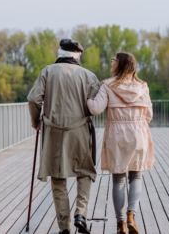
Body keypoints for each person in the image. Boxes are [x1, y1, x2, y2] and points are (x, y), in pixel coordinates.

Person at [27, 39, 100, 234]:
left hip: (53, 132)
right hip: (80, 131)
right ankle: (80, 213)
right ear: (79, 55)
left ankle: (64, 226)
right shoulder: (89, 76)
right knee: (84, 171)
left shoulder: (47, 71)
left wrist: (36, 122)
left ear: (60, 53)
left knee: (58, 176)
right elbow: (95, 107)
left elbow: (34, 99)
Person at [87, 52, 154, 234]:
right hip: (139, 133)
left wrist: (86, 98)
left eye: (114, 60)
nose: (111, 63)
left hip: (117, 135)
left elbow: (95, 109)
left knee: (118, 180)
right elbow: (149, 115)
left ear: (120, 64)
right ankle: (132, 215)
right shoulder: (143, 87)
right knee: (136, 177)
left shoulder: (108, 85)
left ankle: (121, 223)